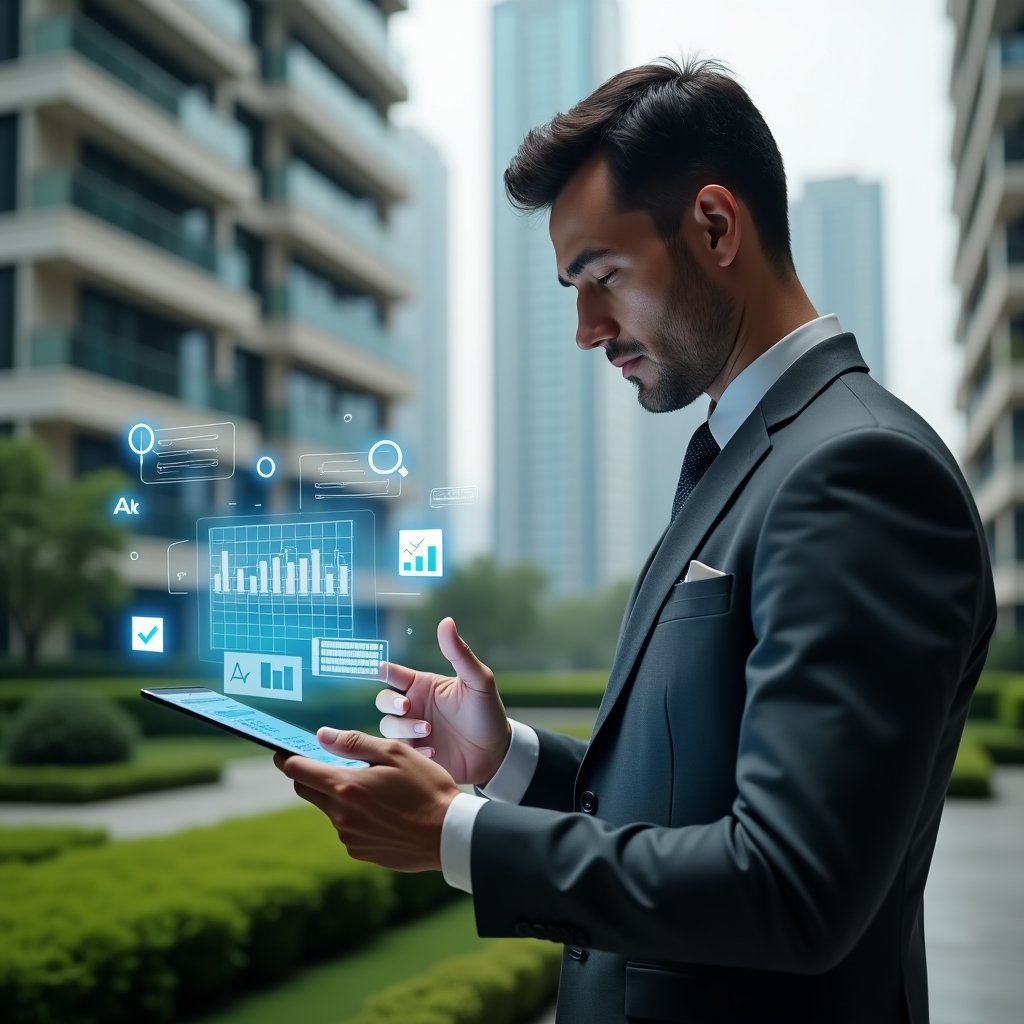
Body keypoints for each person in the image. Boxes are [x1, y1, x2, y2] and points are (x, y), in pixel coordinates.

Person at [276, 57, 996, 1023]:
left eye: (602, 277)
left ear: (714, 225)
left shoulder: (859, 473)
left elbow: (793, 884)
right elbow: (691, 803)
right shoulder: (749, 452)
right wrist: (509, 764)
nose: (585, 328)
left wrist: (458, 833)